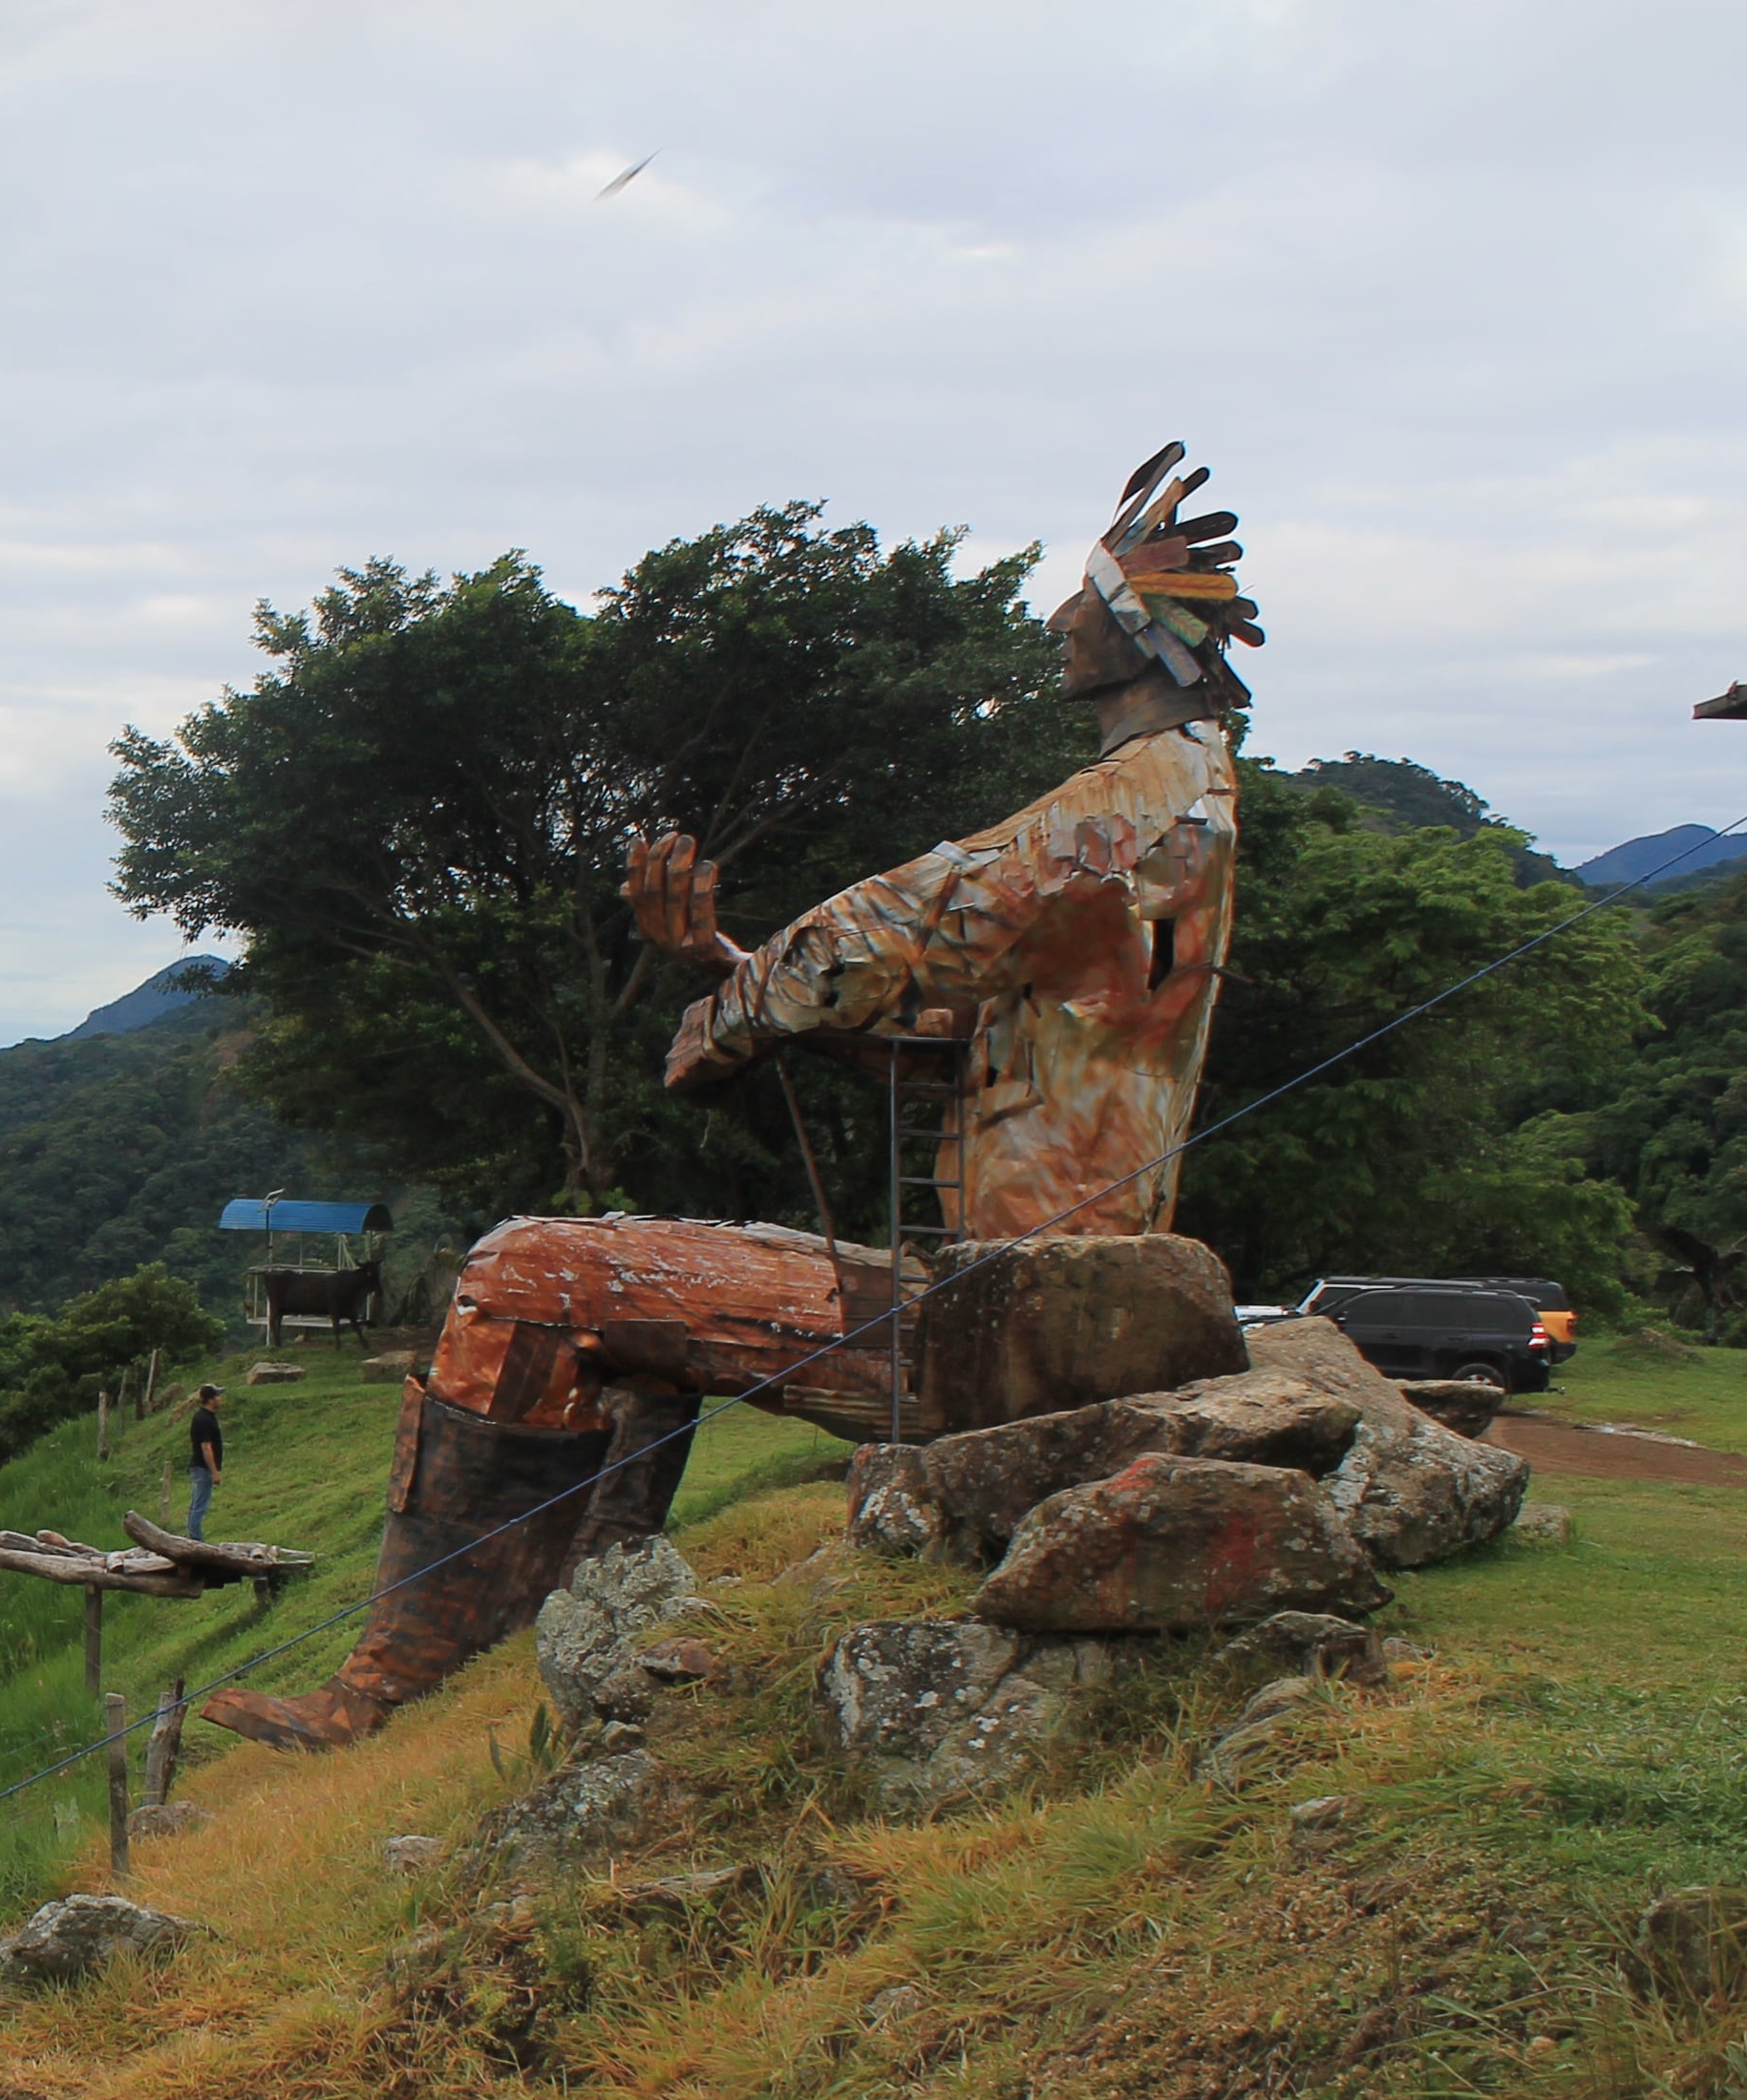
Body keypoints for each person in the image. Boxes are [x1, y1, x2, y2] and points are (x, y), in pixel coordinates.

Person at [202, 444, 1260, 1752]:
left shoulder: (1135, 809)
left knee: (522, 1270)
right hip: (1030, 1303)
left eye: (1085, 595)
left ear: (1136, 628)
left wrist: (730, 1010)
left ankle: (389, 1690)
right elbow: (931, 1029)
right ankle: (587, 1621)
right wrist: (724, 968)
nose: (1057, 620)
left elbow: (891, 927)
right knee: (651, 1304)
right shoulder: (1176, 811)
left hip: (1018, 1324)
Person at [185, 1383, 224, 1538]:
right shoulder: (204, 1419)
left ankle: (193, 1537)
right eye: (217, 1396)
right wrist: (214, 1472)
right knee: (199, 1506)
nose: (220, 1399)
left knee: (197, 1504)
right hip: (203, 1468)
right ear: (210, 1399)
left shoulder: (206, 1417)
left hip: (201, 1467)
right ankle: (195, 1540)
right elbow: (206, 1447)